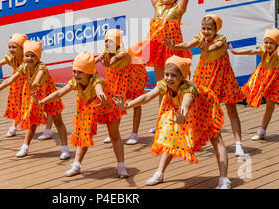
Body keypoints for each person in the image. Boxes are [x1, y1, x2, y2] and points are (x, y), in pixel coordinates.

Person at [114, 56, 230, 189]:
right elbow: (147, 96)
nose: (169, 78)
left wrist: (182, 117)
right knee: (170, 137)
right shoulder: (165, 84)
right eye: (167, 74)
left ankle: (224, 179)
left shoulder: (188, 89)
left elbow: (186, 104)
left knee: (216, 139)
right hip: (182, 112)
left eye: (174, 76)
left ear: (182, 76)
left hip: (204, 107)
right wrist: (127, 105)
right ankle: (159, 173)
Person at [129, 0, 205, 133]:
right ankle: (163, 120)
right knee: (161, 86)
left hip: (173, 51)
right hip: (157, 49)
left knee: (177, 86)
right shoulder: (157, 5)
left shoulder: (179, 8)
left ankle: (181, 117)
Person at [35, 51, 128, 178]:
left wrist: (101, 96)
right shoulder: (75, 81)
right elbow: (59, 93)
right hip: (88, 105)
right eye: (74, 71)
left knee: (114, 135)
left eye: (80, 72)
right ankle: (76, 165)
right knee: (83, 133)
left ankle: (121, 166)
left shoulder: (96, 81)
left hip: (106, 104)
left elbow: (98, 89)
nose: (76, 74)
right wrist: (42, 101)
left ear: (89, 73)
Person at [163, 14, 246, 156]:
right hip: (205, 73)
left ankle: (238, 143)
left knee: (231, 108)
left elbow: (216, 46)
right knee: (197, 105)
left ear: (216, 29)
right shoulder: (200, 38)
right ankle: (194, 140)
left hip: (222, 75)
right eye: (204, 28)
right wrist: (175, 46)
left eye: (209, 29)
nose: (206, 31)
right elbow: (188, 44)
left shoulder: (221, 38)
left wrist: (209, 48)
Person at [0, 40, 69, 159]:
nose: (29, 58)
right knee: (32, 120)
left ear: (38, 57)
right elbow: (10, 79)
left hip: (49, 93)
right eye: (27, 55)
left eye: (33, 56)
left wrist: (36, 83)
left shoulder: (42, 67)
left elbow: (38, 77)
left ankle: (65, 149)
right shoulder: (23, 67)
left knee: (58, 120)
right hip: (34, 94)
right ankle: (25, 147)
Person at [229, 29, 279, 144]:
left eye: (271, 43)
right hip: (268, 82)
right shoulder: (263, 50)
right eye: (266, 42)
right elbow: (251, 51)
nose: (268, 45)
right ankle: (262, 130)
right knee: (269, 107)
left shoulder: (278, 51)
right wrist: (236, 52)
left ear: (276, 44)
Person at [95, 29, 148, 145]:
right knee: (115, 103)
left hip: (133, 76)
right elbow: (97, 59)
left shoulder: (122, 51)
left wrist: (109, 62)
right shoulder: (106, 51)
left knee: (136, 102)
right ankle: (115, 132)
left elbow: (116, 58)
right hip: (116, 77)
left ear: (117, 43)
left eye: (111, 42)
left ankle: (134, 133)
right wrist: (85, 65)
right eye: (106, 41)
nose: (107, 44)